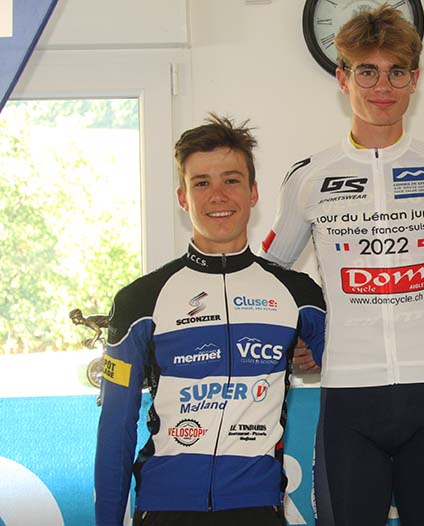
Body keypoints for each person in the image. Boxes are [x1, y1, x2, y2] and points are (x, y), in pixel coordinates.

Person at [260, 6, 424, 526]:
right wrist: (294, 341)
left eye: (396, 72)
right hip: (347, 397)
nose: (382, 86)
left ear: (415, 79)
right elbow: (270, 277)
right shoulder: (309, 178)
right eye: (367, 71)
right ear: (343, 79)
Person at [94, 114, 326, 526]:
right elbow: (115, 429)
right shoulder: (139, 301)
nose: (218, 196)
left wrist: (312, 357)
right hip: (164, 508)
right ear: (183, 198)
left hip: (257, 507)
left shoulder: (298, 294)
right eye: (201, 183)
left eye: (231, 180)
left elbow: (356, 376)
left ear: (253, 192)